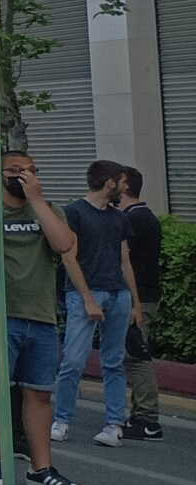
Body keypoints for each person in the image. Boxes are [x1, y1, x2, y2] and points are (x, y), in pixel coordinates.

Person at [0, 150, 87, 485]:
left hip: (40, 316)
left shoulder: (50, 211)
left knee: (39, 394)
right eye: (16, 171)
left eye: (32, 170)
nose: (25, 176)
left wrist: (36, 201)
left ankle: (42, 468)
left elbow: (65, 245)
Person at [54, 161, 141, 448]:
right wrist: (89, 298)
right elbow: (69, 258)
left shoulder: (119, 218)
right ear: (108, 183)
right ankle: (61, 420)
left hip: (118, 295)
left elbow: (124, 260)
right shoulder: (74, 213)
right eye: (120, 181)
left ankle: (114, 424)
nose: (123, 187)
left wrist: (135, 303)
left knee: (113, 362)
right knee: (73, 361)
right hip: (83, 295)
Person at [117, 168, 167, 442]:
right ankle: (142, 415)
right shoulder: (140, 217)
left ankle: (147, 419)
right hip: (141, 297)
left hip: (140, 299)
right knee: (133, 354)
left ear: (124, 185)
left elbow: (127, 262)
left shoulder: (137, 220)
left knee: (137, 355)